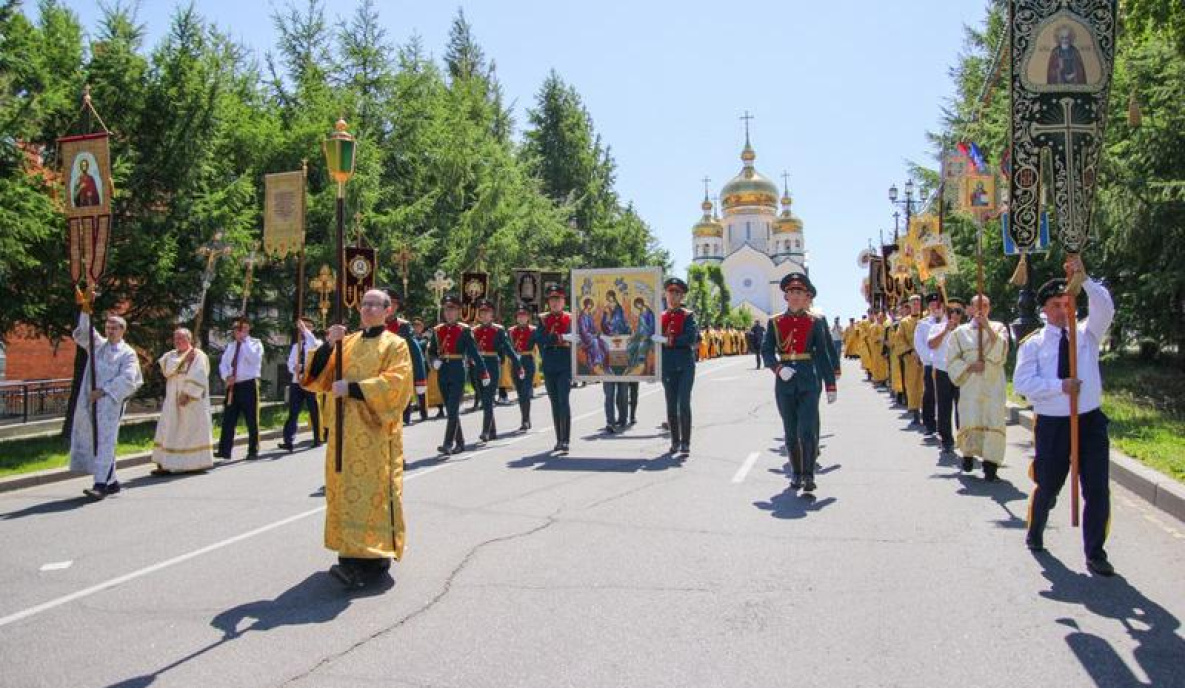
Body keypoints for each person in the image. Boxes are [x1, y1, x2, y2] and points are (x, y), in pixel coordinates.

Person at [301, 289, 412, 590]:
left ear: (388, 310)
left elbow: (397, 384)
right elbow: (317, 378)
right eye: (364, 304)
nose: (368, 309)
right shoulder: (346, 342)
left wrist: (351, 388)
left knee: (371, 491)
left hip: (374, 433)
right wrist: (328, 344)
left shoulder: (395, 344)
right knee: (344, 488)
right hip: (344, 433)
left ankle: (374, 557)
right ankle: (349, 555)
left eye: (375, 305)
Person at [1015, 257, 1116, 576]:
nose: (1064, 309)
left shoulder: (1087, 334)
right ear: (1045, 310)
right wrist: (1061, 386)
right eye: (1057, 304)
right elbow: (1023, 384)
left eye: (1068, 302)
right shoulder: (1033, 345)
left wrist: (1083, 280)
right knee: (1048, 485)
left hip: (1089, 422)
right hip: (1054, 424)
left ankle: (1095, 552)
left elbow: (1105, 308)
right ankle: (1036, 529)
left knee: (1097, 488)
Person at [762, 273, 837, 493]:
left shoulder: (814, 322)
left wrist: (831, 384)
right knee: (790, 430)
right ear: (786, 296)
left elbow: (822, 354)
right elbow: (766, 350)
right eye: (792, 292)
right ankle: (795, 473)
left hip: (808, 380)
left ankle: (808, 475)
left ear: (805, 296)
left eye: (799, 292)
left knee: (807, 430)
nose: (795, 296)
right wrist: (777, 368)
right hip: (784, 382)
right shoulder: (775, 322)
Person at [70, 308, 143, 499]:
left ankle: (100, 484)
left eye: (114, 328)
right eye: (107, 327)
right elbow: (84, 331)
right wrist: (86, 309)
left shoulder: (127, 353)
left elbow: (129, 379)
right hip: (91, 401)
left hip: (110, 402)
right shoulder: (98, 345)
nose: (110, 331)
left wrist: (104, 391)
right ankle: (112, 482)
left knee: (105, 441)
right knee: (95, 439)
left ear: (122, 330)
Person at [947, 294, 1009, 479]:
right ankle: (968, 454)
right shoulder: (960, 333)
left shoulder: (998, 327)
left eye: (986, 305)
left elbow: (1002, 350)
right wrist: (969, 366)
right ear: (971, 309)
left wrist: (988, 328)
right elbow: (952, 360)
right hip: (971, 383)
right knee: (971, 417)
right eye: (978, 305)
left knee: (993, 419)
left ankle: (991, 465)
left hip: (993, 382)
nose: (982, 308)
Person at [427, 295, 487, 455]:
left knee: (453, 409)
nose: (449, 313)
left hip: (458, 370)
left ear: (459, 311)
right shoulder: (437, 330)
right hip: (443, 371)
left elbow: (474, 353)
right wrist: (433, 362)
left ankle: (448, 443)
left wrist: (484, 372)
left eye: (452, 309)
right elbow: (431, 351)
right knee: (450, 408)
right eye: (447, 309)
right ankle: (460, 442)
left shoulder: (464, 330)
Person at [151, 327, 213, 474]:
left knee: (189, 432)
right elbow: (167, 371)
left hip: (191, 401)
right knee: (169, 430)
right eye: (176, 338)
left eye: (181, 338)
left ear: (189, 339)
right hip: (172, 400)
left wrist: (187, 393)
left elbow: (200, 374)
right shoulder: (170, 355)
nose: (178, 341)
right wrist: (184, 359)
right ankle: (165, 463)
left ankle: (193, 464)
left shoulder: (199, 355)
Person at [530, 286, 577, 453]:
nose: (555, 303)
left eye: (558, 300)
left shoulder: (571, 318)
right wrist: (559, 337)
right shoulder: (542, 319)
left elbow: (577, 337)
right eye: (552, 300)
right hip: (549, 365)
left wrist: (557, 339)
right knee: (554, 402)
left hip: (565, 364)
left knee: (564, 400)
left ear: (564, 301)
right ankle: (558, 439)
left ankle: (566, 440)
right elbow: (538, 338)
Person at [656, 277, 698, 456]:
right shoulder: (660, 317)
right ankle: (675, 441)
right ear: (665, 295)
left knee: (684, 403)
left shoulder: (688, 315)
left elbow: (691, 338)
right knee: (671, 405)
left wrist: (667, 340)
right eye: (670, 293)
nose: (672, 297)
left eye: (676, 293)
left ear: (681, 296)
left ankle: (685, 443)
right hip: (667, 365)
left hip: (685, 364)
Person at [472, 299, 522, 441]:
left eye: (486, 312)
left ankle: (485, 432)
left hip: (492, 365)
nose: (484, 315)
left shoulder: (498, 330)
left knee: (488, 399)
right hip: (478, 366)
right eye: (481, 313)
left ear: (492, 314)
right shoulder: (474, 331)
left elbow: (508, 348)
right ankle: (492, 430)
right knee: (483, 397)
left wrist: (518, 364)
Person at [217, 317, 263, 460]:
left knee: (251, 418)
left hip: (248, 384)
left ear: (247, 329)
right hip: (233, 386)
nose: (239, 332)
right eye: (236, 330)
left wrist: (244, 342)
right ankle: (224, 450)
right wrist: (226, 376)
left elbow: (254, 359)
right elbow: (223, 364)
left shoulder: (255, 343)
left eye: (242, 329)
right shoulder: (231, 346)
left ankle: (253, 449)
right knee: (229, 419)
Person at [384, 291, 427, 427]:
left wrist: (420, 378)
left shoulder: (403, 325)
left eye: (392, 304)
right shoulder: (373, 324)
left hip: (399, 371)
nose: (389, 307)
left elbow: (415, 351)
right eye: (386, 303)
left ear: (397, 307)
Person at [279, 318, 322, 452]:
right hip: (296, 382)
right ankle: (288, 440)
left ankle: (317, 438)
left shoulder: (316, 343)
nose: (305, 330)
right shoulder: (296, 346)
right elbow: (290, 362)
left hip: (310, 382)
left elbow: (314, 344)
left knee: (313, 411)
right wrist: (294, 368)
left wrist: (305, 330)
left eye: (309, 327)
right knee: (293, 411)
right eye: (303, 327)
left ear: (312, 329)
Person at [928, 297, 965, 453]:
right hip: (943, 371)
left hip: (961, 372)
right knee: (944, 406)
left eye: (958, 311)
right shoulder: (937, 328)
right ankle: (946, 439)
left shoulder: (965, 330)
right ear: (946, 312)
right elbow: (931, 344)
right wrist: (945, 331)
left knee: (962, 407)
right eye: (951, 311)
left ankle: (963, 438)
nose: (955, 314)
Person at [915, 293, 943, 436]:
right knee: (930, 395)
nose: (935, 307)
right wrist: (932, 359)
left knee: (944, 397)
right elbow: (920, 345)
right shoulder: (923, 324)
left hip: (945, 366)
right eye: (932, 305)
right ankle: (930, 424)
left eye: (937, 305)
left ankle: (943, 425)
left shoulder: (947, 322)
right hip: (930, 365)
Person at [894, 295, 925, 427]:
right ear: (910, 305)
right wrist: (910, 351)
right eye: (913, 303)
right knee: (913, 384)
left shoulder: (926, 319)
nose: (916, 305)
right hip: (911, 357)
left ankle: (928, 413)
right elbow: (899, 339)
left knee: (927, 385)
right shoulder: (904, 322)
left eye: (918, 303)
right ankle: (915, 413)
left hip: (926, 357)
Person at [508, 304, 538, 430]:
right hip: (515, 362)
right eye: (519, 316)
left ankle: (525, 420)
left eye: (524, 316)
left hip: (527, 361)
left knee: (525, 391)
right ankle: (525, 418)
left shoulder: (533, 330)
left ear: (528, 317)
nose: (521, 318)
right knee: (520, 393)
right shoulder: (511, 331)